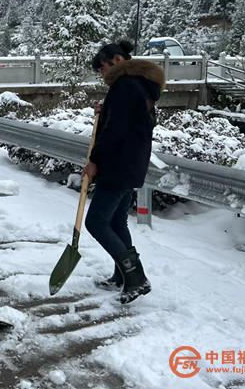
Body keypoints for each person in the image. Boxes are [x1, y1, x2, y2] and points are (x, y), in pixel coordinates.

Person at [83, 40, 162, 304]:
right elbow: (134, 121)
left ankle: (136, 277)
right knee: (116, 222)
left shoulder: (124, 86)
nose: (102, 74)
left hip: (118, 164)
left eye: (102, 68)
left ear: (117, 61)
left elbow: (115, 131)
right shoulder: (141, 84)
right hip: (132, 163)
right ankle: (121, 276)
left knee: (95, 222)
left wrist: (95, 160)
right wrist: (106, 112)